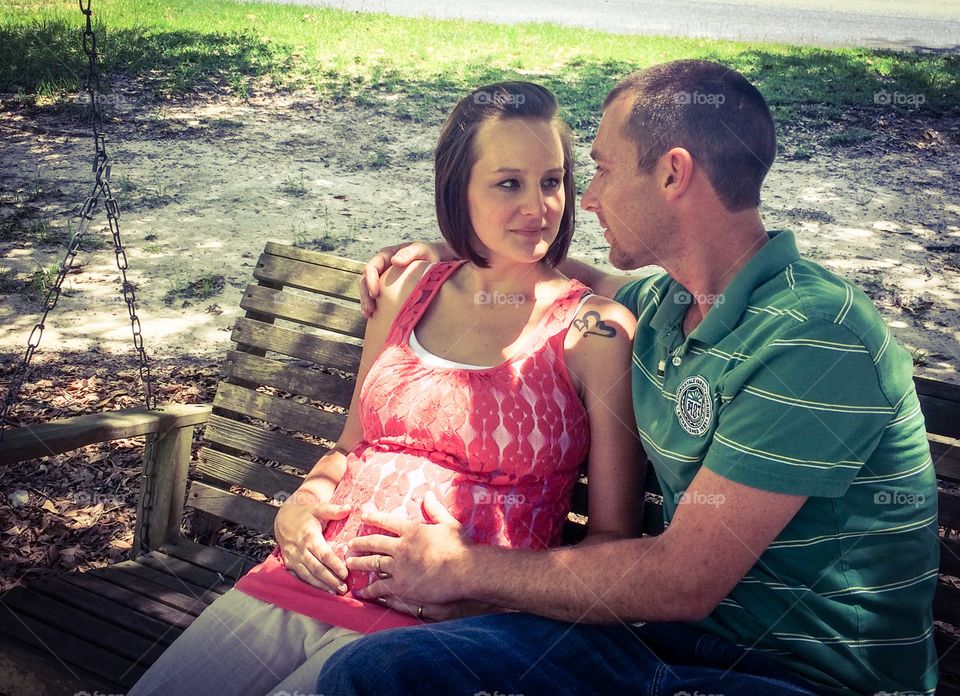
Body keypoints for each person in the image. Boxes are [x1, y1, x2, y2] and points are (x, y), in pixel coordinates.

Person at [316, 59, 939, 696]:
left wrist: (467, 569)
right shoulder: (672, 301)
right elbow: (561, 272)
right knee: (372, 674)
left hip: (802, 677)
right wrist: (450, 246)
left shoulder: (814, 336)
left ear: (672, 173)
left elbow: (682, 580)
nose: (583, 199)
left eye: (602, 170)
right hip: (656, 645)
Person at [127, 81, 643, 696]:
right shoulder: (405, 290)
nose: (539, 207)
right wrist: (298, 505)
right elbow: (350, 447)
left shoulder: (594, 331)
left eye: (552, 181)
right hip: (308, 573)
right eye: (509, 183)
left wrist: (483, 591)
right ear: (458, 190)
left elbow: (614, 544)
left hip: (437, 625)